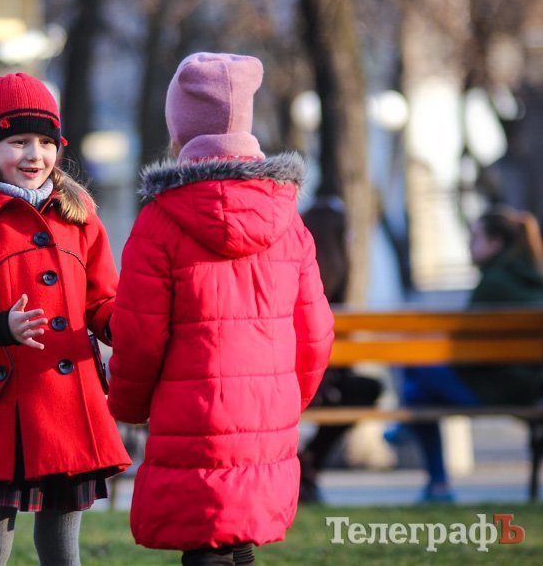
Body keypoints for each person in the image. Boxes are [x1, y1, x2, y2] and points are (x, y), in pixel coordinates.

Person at [107, 52, 334, 565]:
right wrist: (287, 398)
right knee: (239, 538)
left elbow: (139, 336)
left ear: (180, 129)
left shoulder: (160, 221)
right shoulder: (289, 220)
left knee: (204, 543)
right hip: (267, 411)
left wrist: (128, 406)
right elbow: (316, 330)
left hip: (191, 412)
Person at [0, 72, 130, 566]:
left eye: (46, 142)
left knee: (63, 543)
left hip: (72, 402)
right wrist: (2, 325)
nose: (34, 155)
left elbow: (102, 298)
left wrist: (124, 325)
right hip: (7, 401)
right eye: (18, 141)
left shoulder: (80, 214)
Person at [390, 205, 543, 503]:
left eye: (475, 238)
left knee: (413, 365)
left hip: (497, 389)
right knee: (418, 395)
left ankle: (434, 477)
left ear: (496, 242)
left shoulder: (495, 282)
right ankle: (433, 480)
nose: (469, 245)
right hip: (530, 388)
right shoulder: (531, 279)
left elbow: (463, 350)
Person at [297, 197, 383, 503]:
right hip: (319, 383)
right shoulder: (337, 278)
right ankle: (309, 465)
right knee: (367, 388)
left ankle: (305, 467)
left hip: (296, 382)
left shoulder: (296, 272)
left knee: (361, 388)